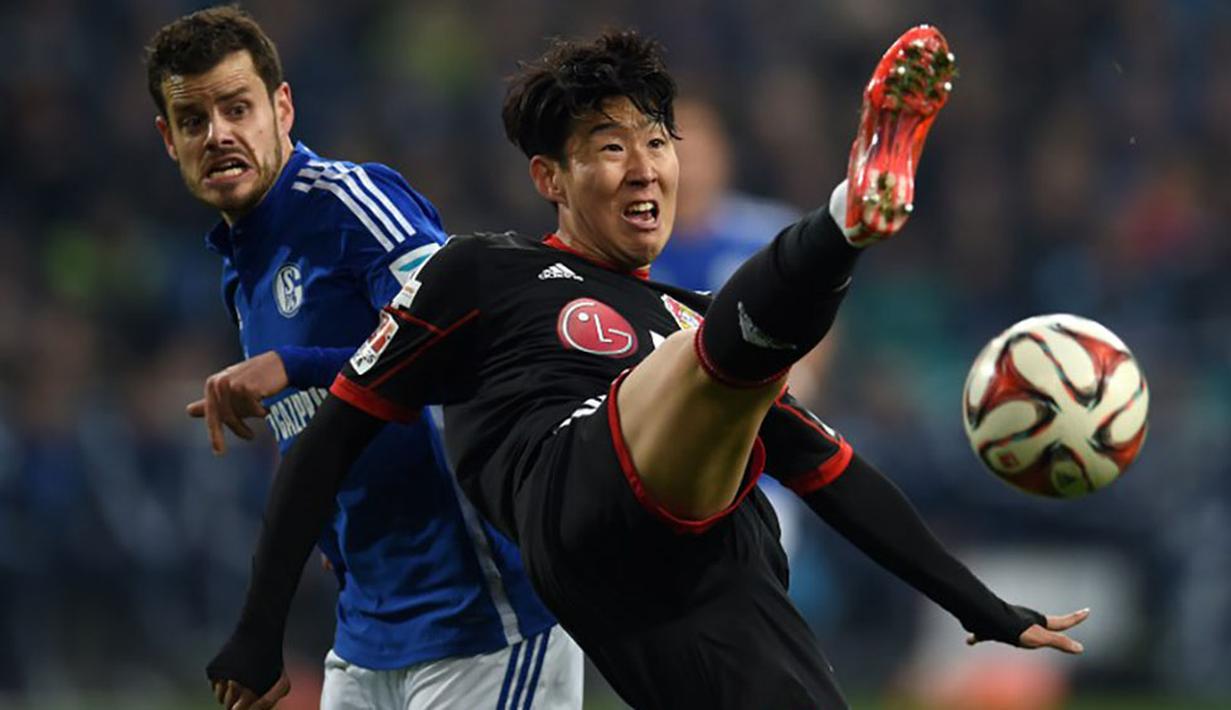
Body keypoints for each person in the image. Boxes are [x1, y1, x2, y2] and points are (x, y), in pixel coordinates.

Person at [206, 26, 1090, 709]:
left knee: (723, 374)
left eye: (657, 142)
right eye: (609, 147)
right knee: (709, 365)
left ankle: (840, 230)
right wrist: (258, 629)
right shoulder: (481, 273)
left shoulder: (687, 313)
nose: (644, 170)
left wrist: (980, 608)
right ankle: (845, 220)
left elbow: (832, 472)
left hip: (714, 580)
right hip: (569, 489)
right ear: (550, 177)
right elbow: (330, 440)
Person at [145, 7, 583, 709]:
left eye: (237, 107)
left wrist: (297, 364)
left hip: (482, 615)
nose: (219, 133)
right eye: (194, 120)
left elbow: (463, 338)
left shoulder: (351, 202)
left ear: (282, 107)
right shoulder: (241, 266)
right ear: (169, 140)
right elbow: (331, 425)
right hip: (366, 632)